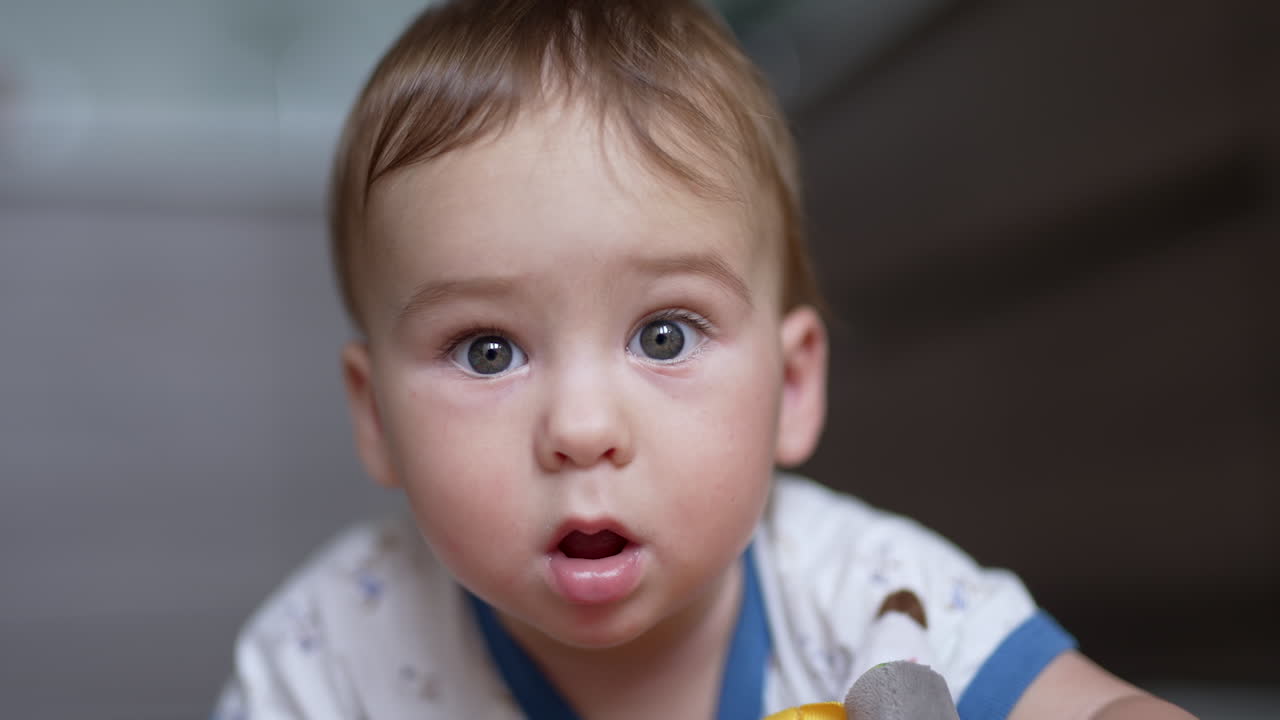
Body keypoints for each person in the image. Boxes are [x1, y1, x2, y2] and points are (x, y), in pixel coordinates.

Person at [215, 1, 1195, 718]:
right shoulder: (331, 656)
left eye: (663, 336)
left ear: (793, 387)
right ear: (376, 416)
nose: (581, 430)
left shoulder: (867, 597)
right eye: (487, 349)